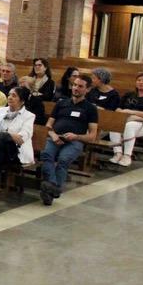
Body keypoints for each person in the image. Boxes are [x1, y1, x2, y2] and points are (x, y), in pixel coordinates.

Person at [40, 74, 98, 205]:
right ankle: (54, 187)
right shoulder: (61, 103)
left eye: (80, 86)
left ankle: (49, 188)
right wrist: (53, 135)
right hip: (55, 137)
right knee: (46, 154)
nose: (76, 88)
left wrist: (76, 136)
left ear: (87, 89)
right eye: (75, 85)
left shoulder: (90, 108)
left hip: (75, 141)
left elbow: (92, 135)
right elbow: (49, 125)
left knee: (63, 159)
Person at [0, 87, 35, 200]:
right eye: (9, 94)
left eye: (14, 95)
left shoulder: (29, 116)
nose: (10, 97)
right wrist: (4, 135)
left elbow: (21, 138)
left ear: (22, 101)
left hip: (16, 152)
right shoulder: (1, 111)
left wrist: (3, 135)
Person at [109, 72, 143, 167]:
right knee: (114, 124)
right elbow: (118, 109)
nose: (141, 82)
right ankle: (118, 153)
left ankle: (127, 156)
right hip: (127, 120)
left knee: (130, 126)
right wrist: (124, 112)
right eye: (139, 80)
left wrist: (131, 112)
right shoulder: (129, 95)